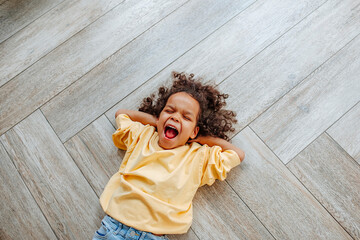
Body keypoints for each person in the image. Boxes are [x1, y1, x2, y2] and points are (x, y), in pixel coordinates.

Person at [93, 72, 245, 240]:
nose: (175, 117)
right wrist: (157, 122)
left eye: (186, 117)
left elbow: (237, 154)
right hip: (114, 229)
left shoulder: (198, 157)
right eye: (170, 110)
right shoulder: (143, 136)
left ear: (195, 130)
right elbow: (122, 114)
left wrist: (198, 137)